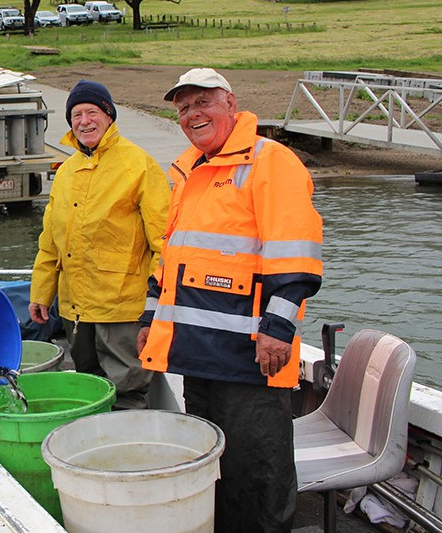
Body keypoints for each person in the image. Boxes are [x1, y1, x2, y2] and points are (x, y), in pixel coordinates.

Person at [137, 68, 323, 532]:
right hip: (196, 356)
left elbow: (294, 255)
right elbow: (173, 260)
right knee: (213, 467)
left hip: (250, 360)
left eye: (203, 103)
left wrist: (278, 329)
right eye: (183, 108)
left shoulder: (269, 161)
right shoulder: (189, 171)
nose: (192, 115)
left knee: (258, 474)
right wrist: (149, 315)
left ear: (231, 104)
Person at [29, 80, 170, 410]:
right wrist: (41, 292)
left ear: (109, 116)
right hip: (75, 310)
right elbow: (50, 241)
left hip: (122, 309)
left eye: (92, 112)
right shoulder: (65, 172)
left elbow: (165, 243)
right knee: (89, 386)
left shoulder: (139, 165)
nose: (84, 121)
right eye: (76, 114)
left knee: (127, 391)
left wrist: (157, 302)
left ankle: (127, 456)